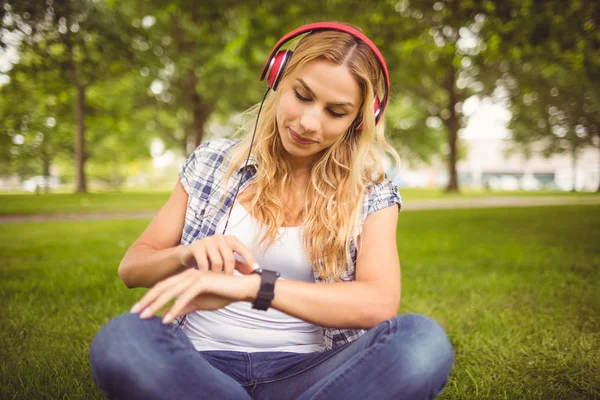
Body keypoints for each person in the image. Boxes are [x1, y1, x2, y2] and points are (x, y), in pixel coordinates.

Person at [89, 22, 454, 399]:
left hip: (312, 372)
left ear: (359, 121)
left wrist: (253, 287)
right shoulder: (212, 162)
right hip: (196, 365)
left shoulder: (371, 191)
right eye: (302, 95)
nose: (310, 123)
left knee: (422, 341)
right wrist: (186, 254)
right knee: (123, 337)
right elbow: (132, 268)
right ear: (278, 77)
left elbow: (378, 303)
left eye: (336, 112)